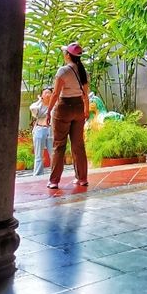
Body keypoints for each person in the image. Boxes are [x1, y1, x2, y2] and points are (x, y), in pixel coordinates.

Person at [46, 42, 90, 189]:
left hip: (64, 108)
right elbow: (86, 94)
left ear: (68, 55)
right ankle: (82, 178)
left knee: (59, 145)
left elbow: (55, 94)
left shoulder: (63, 71)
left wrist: (48, 111)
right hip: (79, 108)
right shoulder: (83, 71)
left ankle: (54, 181)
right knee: (78, 145)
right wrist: (86, 110)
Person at [29, 87, 53, 176]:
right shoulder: (38, 105)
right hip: (40, 129)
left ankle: (55, 173)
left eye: (49, 93)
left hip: (51, 130)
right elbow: (32, 108)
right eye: (45, 93)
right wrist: (40, 100)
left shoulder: (54, 104)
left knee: (53, 154)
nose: (47, 95)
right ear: (42, 95)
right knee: (38, 154)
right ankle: (38, 175)